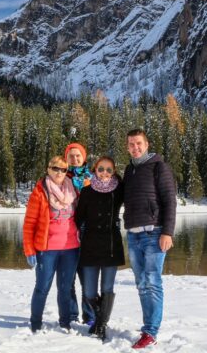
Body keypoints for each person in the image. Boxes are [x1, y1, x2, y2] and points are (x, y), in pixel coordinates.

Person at [122, 129, 176, 349]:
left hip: (154, 233)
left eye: (139, 143)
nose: (135, 147)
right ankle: (148, 326)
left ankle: (151, 332)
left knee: (152, 282)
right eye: (131, 144)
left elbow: (170, 201)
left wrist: (168, 232)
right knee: (141, 283)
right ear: (127, 147)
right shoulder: (129, 170)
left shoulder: (158, 166)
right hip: (133, 235)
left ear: (147, 144)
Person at [23, 155, 80, 332]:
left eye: (63, 169)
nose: (59, 172)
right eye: (55, 168)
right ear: (48, 169)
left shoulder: (73, 190)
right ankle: (36, 323)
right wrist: (29, 250)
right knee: (42, 287)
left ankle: (65, 322)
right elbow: (29, 223)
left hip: (71, 249)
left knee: (65, 288)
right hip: (47, 249)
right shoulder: (40, 191)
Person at [75, 156, 124, 342]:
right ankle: (100, 319)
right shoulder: (86, 191)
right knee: (88, 291)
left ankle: (100, 324)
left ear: (114, 172)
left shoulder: (119, 190)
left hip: (111, 244)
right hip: (90, 246)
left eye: (109, 170)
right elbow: (78, 218)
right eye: (101, 169)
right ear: (95, 169)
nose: (105, 173)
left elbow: (136, 197)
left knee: (107, 288)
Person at [63, 142, 95, 326]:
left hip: (87, 233)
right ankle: (71, 316)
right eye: (71, 156)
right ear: (66, 158)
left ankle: (89, 316)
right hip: (66, 233)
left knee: (88, 278)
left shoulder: (92, 178)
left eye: (78, 156)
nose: (74, 159)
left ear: (84, 157)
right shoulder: (60, 177)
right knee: (68, 279)